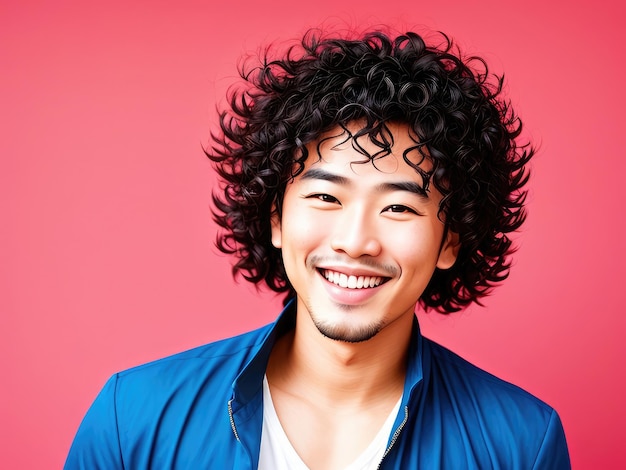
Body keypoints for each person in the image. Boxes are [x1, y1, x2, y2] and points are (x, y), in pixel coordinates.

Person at [65, 28, 571, 469]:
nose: (354, 242)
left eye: (398, 208)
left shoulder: (521, 445)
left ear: (450, 240)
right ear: (277, 217)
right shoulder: (132, 418)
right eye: (326, 197)